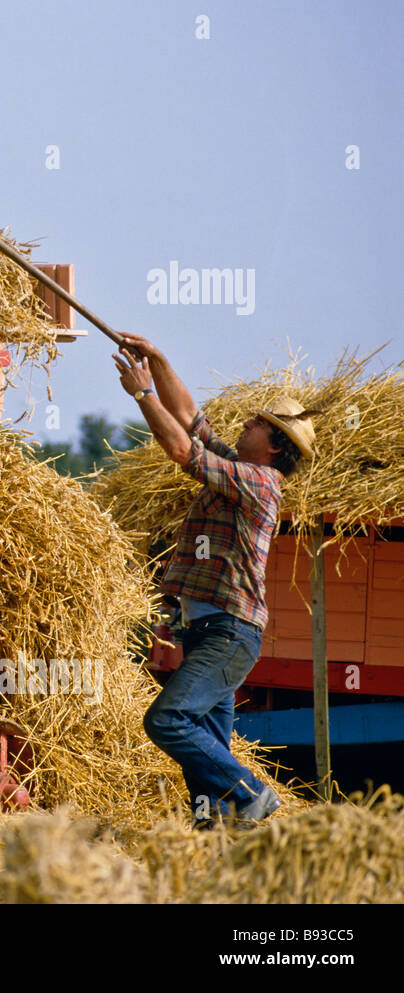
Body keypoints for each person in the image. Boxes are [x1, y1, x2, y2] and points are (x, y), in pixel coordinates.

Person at [113, 332, 315, 828]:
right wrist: (158, 359)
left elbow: (183, 450)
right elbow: (189, 419)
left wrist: (143, 394)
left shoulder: (259, 481)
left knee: (166, 721)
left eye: (257, 424)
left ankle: (251, 793)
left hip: (229, 633)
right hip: (211, 632)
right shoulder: (241, 468)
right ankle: (217, 829)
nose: (245, 423)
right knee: (209, 745)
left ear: (273, 446)